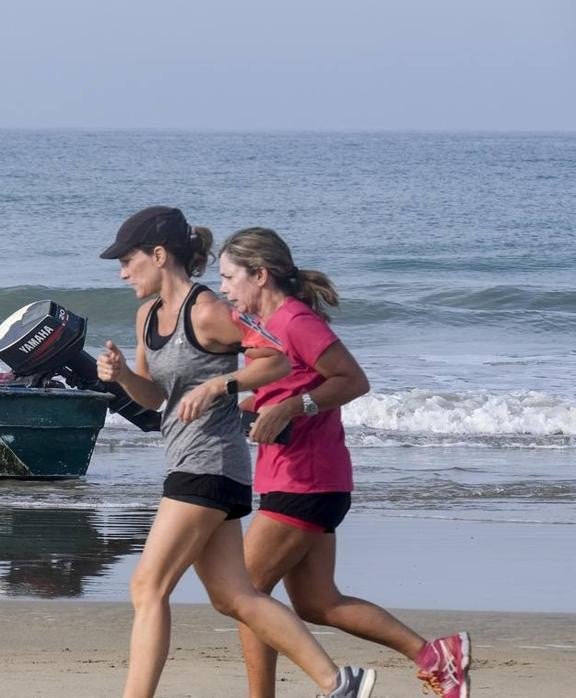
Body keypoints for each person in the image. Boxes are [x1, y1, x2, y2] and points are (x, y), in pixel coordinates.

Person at [97, 207, 376, 698]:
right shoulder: (145, 316)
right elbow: (156, 397)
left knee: (148, 586)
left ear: (159, 256)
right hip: (189, 462)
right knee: (234, 596)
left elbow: (276, 359)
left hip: (211, 461)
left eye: (128, 259)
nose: (122, 271)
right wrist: (121, 376)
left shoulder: (208, 310)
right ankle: (339, 681)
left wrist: (220, 386)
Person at [217, 227, 470, 698]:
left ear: (260, 274)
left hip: (306, 478)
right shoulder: (264, 326)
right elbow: (279, 393)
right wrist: (234, 404)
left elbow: (353, 380)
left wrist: (293, 408)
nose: (225, 288)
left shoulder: (295, 321)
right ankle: (435, 656)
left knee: (245, 596)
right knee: (317, 601)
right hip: (301, 477)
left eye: (230, 277)